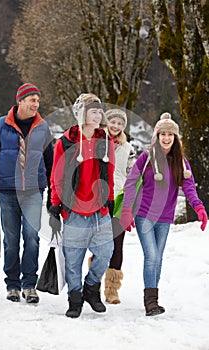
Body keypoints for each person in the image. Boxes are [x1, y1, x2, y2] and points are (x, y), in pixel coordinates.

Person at [120, 112, 208, 316]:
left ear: (175, 138)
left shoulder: (181, 162)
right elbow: (131, 182)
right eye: (163, 134)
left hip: (165, 217)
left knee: (158, 258)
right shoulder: (147, 157)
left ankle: (153, 300)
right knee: (151, 256)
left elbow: (189, 188)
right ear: (157, 136)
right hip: (144, 214)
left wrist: (199, 207)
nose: (167, 138)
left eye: (170, 135)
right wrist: (126, 210)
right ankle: (151, 302)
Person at [0, 83, 53, 304]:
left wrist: (53, 193)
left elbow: (51, 162)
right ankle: (12, 285)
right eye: (32, 100)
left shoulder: (43, 127)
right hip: (7, 191)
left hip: (33, 191)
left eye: (38, 101)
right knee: (12, 240)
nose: (36, 104)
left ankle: (29, 284)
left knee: (31, 238)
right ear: (20, 101)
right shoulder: (1, 125)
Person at [49, 93, 115, 318]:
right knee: (73, 259)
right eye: (93, 111)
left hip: (99, 209)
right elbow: (56, 176)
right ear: (82, 113)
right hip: (73, 209)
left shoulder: (105, 140)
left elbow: (110, 173)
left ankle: (91, 288)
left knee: (106, 252)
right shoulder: (65, 141)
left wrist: (110, 201)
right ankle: (75, 299)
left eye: (99, 111)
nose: (98, 115)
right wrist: (55, 205)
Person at [102, 108, 135, 304]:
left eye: (120, 123)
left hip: (119, 200)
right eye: (112, 122)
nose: (116, 126)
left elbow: (132, 176)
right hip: (99, 198)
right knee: (98, 244)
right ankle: (92, 285)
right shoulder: (98, 143)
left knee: (117, 245)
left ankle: (112, 289)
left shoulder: (127, 147)